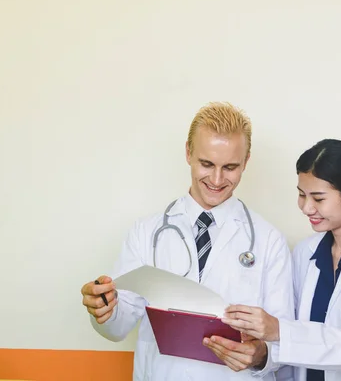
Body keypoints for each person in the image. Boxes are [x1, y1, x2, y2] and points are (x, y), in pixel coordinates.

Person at [80, 102, 295, 380]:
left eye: (230, 167)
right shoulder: (146, 232)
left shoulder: (269, 241)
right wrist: (104, 309)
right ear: (188, 153)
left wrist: (260, 355)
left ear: (246, 162)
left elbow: (282, 338)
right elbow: (118, 327)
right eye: (207, 164)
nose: (217, 179)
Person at [222, 138, 341, 381]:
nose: (306, 207)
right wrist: (261, 352)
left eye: (318, 198)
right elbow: (292, 345)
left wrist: (280, 331)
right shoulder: (306, 253)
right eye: (302, 195)